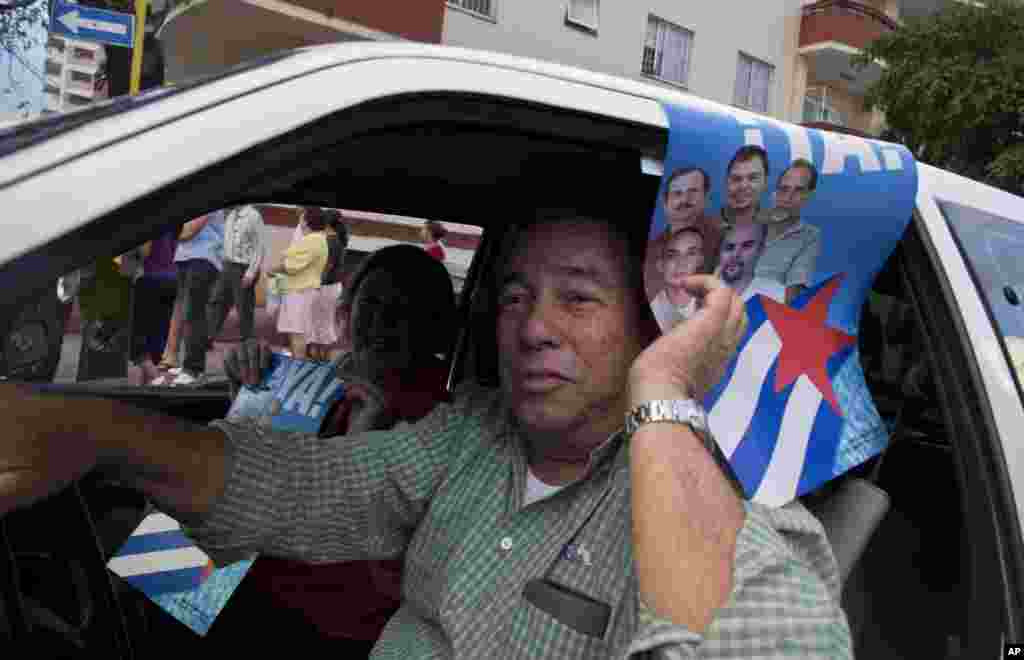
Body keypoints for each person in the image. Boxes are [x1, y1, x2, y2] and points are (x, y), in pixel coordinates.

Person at [0, 213, 852, 659]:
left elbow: (773, 645)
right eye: (514, 296)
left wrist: (663, 397)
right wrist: (96, 430)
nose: (533, 326)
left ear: (656, 330)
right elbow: (306, 488)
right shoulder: (473, 433)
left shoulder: (693, 500)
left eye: (580, 298)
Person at [216, 244, 457, 655]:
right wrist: (248, 395)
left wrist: (366, 443)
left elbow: (404, 573)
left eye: (403, 311)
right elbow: (254, 486)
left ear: (434, 329)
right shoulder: (308, 384)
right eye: (372, 305)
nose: (382, 322)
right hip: (242, 591)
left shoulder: (447, 425)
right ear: (346, 315)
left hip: (339, 632)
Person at [163, 211, 226, 387]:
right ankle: (187, 364)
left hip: (204, 258)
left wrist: (175, 234)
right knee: (185, 312)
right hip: (185, 258)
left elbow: (190, 230)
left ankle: (194, 368)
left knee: (193, 313)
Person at [644, 167, 723, 300]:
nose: (684, 199)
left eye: (692, 192)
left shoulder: (725, 239)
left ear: (706, 198)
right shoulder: (651, 251)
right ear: (665, 203)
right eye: (677, 193)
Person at [755, 159, 823, 303]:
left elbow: (793, 294)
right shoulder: (750, 221)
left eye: (798, 190)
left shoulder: (810, 236)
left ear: (809, 195)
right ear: (775, 191)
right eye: (784, 189)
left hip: (764, 315)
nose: (788, 197)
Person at [272, 207, 330, 360]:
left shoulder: (312, 240)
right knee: (297, 332)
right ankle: (297, 363)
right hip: (301, 291)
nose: (300, 222)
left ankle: (298, 367)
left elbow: (291, 266)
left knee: (298, 334)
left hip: (301, 292)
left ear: (307, 222)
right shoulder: (318, 239)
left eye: (302, 219)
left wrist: (273, 269)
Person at [208, 205, 265, 346]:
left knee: (244, 306)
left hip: (243, 267)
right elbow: (225, 241)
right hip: (227, 265)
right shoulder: (231, 214)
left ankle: (247, 340)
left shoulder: (253, 216)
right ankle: (208, 336)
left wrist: (251, 272)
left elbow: (260, 246)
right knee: (217, 301)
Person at [128, 231, 178, 385]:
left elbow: (144, 251)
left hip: (149, 278)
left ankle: (158, 379)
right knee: (156, 339)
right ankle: (145, 386)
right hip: (172, 279)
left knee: (137, 339)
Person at [307, 210, 348, 362]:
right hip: (332, 286)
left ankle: (322, 359)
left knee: (321, 324)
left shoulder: (330, 241)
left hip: (325, 287)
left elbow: (327, 266)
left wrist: (316, 284)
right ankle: (321, 358)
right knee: (324, 323)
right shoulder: (337, 239)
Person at [650, 226, 705, 332]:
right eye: (672, 255)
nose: (681, 263)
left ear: (700, 260)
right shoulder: (649, 312)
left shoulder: (712, 305)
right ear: (660, 265)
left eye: (691, 254)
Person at [717, 221, 786, 303]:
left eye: (746, 246)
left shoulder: (778, 295)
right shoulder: (701, 292)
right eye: (729, 247)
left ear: (761, 250)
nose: (735, 254)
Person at [721, 145, 770, 228]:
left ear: (765, 182)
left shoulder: (777, 231)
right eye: (736, 178)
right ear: (726, 182)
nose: (743, 186)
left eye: (752, 178)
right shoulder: (709, 228)